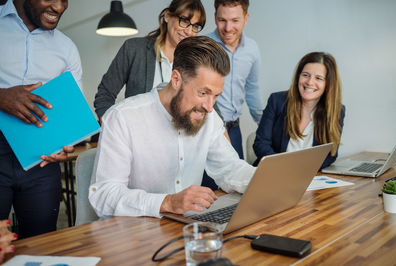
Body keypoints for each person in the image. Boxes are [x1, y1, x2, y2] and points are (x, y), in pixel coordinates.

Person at [89, 36, 255, 217]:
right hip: (133, 233)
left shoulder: (209, 117)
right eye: (203, 93)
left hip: (186, 229)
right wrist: (167, 202)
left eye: (215, 96)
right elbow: (104, 194)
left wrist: (270, 180)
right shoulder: (122, 118)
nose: (209, 106)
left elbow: (230, 168)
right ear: (176, 79)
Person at [0, 0, 82, 238]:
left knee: (42, 243)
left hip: (43, 162)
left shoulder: (67, 48)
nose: (59, 7)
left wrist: (67, 142)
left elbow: (70, 114)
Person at [94, 0, 206, 120]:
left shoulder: (196, 63)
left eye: (195, 26)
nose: (189, 31)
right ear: (167, 16)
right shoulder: (134, 49)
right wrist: (113, 127)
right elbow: (104, 95)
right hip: (137, 134)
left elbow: (209, 107)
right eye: (184, 20)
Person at [253, 52, 345, 168]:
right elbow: (261, 144)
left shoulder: (336, 111)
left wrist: (305, 171)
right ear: (298, 77)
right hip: (273, 172)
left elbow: (330, 154)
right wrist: (284, 168)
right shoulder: (277, 101)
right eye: (305, 75)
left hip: (309, 178)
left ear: (328, 84)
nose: (310, 82)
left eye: (318, 78)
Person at [206, 0, 263, 160]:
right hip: (207, 129)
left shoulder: (252, 49)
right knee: (207, 184)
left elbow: (252, 89)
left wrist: (264, 126)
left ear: (246, 18)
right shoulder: (203, 45)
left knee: (236, 182)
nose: (228, 28)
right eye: (222, 20)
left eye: (235, 20)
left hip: (234, 130)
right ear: (215, 17)